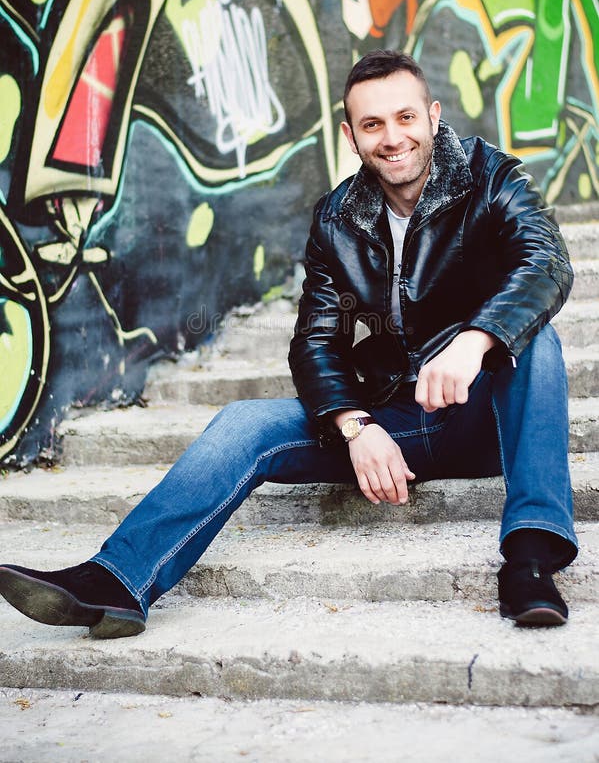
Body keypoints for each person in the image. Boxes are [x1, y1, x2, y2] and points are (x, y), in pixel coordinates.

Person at [0, 51, 577, 639]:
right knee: (243, 422)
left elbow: (546, 262)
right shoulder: (338, 218)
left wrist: (474, 342)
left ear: (431, 116)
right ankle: (118, 581)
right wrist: (355, 424)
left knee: (536, 341)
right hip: (394, 422)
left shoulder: (492, 177)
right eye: (373, 125)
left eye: (405, 117)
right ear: (351, 137)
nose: (393, 137)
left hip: (482, 418)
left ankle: (532, 559)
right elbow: (316, 340)